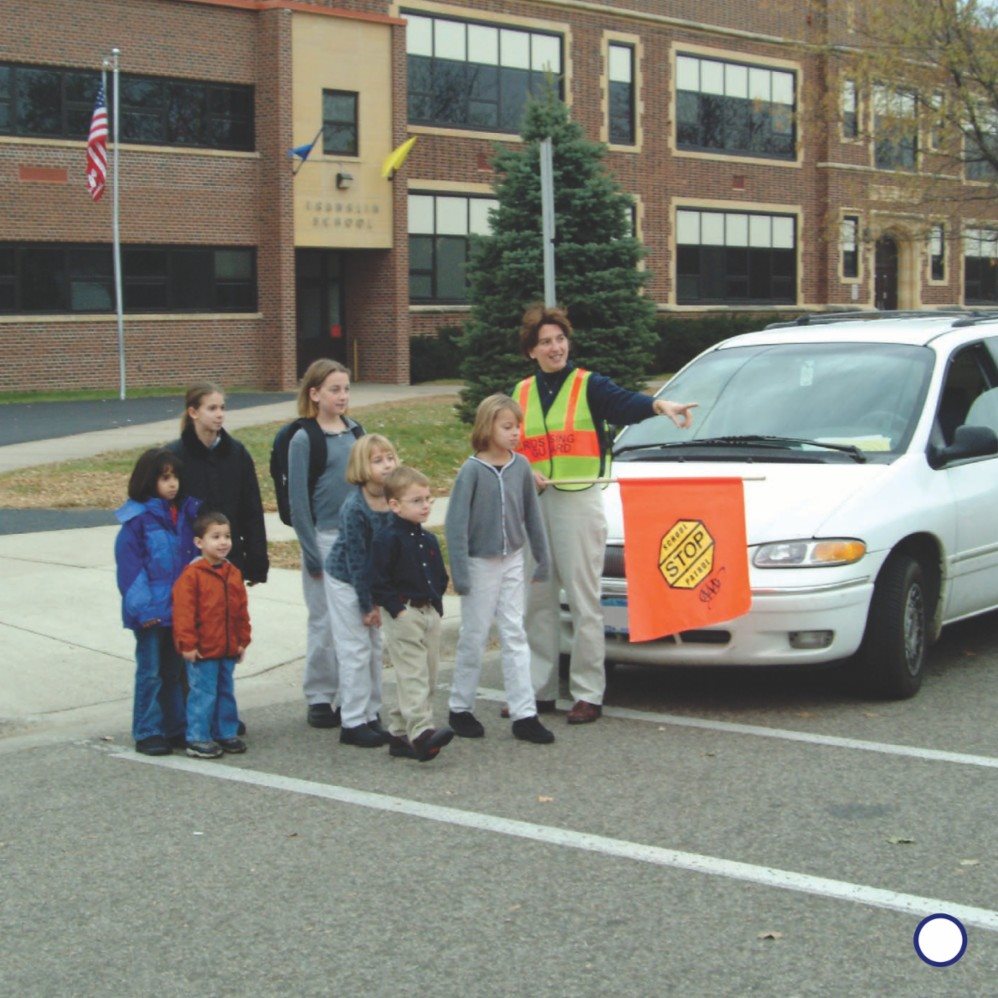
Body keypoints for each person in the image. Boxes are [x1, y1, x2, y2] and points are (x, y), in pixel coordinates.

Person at [514, 304, 696, 725]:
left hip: (578, 501)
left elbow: (624, 403)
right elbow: (509, 444)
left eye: (560, 339)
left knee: (582, 599)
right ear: (531, 351)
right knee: (536, 601)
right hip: (535, 504)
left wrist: (659, 406)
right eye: (546, 341)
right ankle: (537, 691)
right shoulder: (521, 393)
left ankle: (587, 693)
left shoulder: (588, 385)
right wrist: (525, 471)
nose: (555, 347)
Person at [445, 394, 554, 744]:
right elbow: (456, 525)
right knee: (474, 635)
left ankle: (525, 713)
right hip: (479, 564)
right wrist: (459, 572)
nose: (515, 433)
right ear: (487, 426)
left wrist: (542, 556)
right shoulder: (471, 471)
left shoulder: (520, 466)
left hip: (513, 561)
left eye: (517, 426)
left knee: (514, 633)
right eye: (507, 427)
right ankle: (460, 706)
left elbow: (531, 515)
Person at [290, 359, 364, 730]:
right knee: (323, 619)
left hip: (356, 538)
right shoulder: (305, 439)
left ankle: (354, 694)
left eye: (346, 389)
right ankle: (320, 694)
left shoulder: (356, 433)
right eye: (334, 389)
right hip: (324, 537)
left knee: (355, 620)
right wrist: (310, 550)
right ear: (314, 394)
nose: (342, 396)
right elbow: (298, 501)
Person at [114, 448, 201, 756]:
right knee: (150, 672)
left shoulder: (185, 515)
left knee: (174, 672)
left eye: (175, 476)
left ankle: (175, 726)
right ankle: (148, 729)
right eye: (165, 478)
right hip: (151, 612)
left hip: (179, 609)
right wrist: (143, 609)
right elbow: (131, 569)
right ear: (149, 480)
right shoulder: (137, 519)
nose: (172, 483)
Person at [371, 466, 453, 762]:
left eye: (428, 499)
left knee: (428, 675)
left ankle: (398, 732)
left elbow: (437, 576)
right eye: (417, 501)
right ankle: (422, 733)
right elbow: (377, 579)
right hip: (403, 613)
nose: (426, 505)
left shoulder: (428, 540)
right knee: (413, 674)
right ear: (395, 505)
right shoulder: (387, 538)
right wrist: (396, 609)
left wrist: (437, 604)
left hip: (428, 612)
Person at [324, 434, 398, 749]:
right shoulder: (354, 507)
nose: (386, 465)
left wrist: (385, 597)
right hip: (346, 580)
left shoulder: (395, 499)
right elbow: (356, 560)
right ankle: (352, 721)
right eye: (377, 460)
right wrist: (367, 605)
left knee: (374, 649)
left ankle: (371, 713)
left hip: (374, 581)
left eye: (389, 458)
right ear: (361, 467)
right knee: (355, 649)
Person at [166, 382, 269, 586]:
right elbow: (166, 512)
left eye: (222, 408)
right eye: (212, 408)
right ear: (193, 412)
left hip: (230, 557)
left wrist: (257, 560)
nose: (219, 414)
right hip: (189, 559)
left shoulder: (237, 454)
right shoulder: (175, 456)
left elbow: (252, 509)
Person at [172, 511, 252, 759]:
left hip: (227, 646)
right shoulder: (192, 576)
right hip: (203, 650)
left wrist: (242, 640)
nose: (223, 542)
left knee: (225, 691)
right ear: (199, 543)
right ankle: (198, 736)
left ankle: (225, 731)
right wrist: (187, 643)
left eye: (227, 536)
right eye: (215, 537)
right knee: (203, 694)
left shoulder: (232, 572)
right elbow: (184, 613)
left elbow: (240, 610)